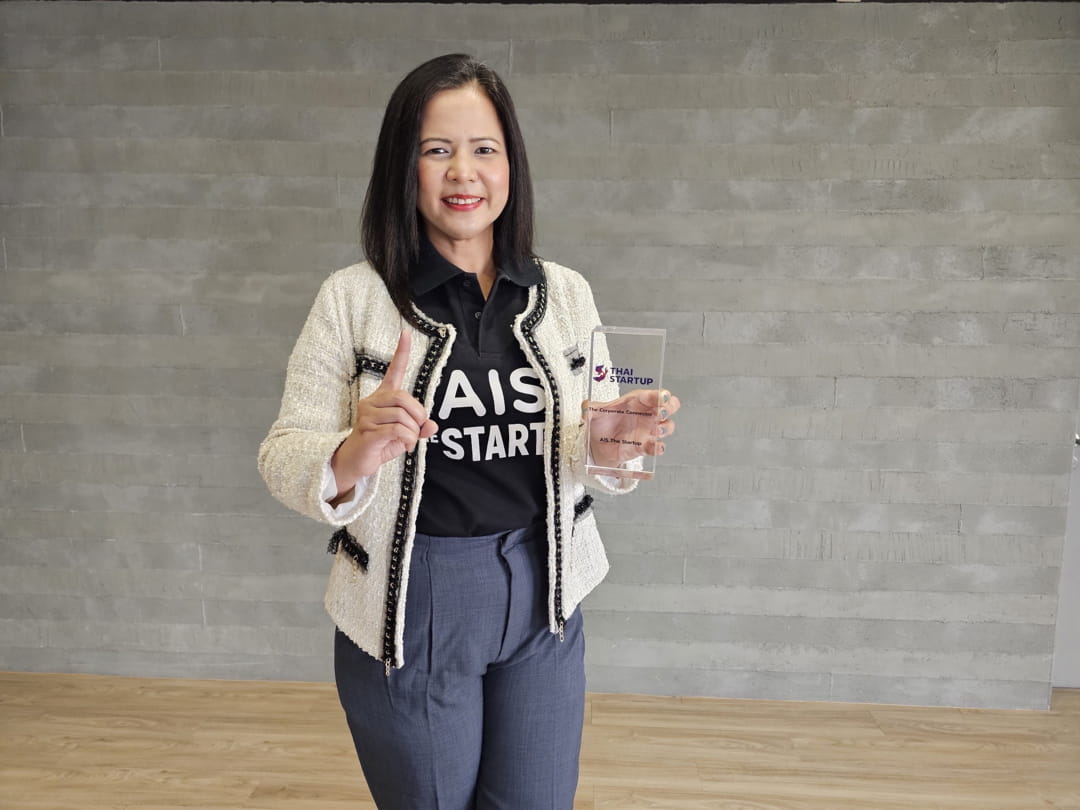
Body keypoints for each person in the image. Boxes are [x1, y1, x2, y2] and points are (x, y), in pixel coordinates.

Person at [258, 53, 681, 810]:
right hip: (411, 600)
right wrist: (351, 452)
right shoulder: (352, 300)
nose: (464, 173)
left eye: (484, 149)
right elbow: (285, 454)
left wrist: (614, 444)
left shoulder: (565, 294)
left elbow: (595, 454)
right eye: (436, 150)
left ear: (510, 163)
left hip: (547, 594)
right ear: (404, 166)